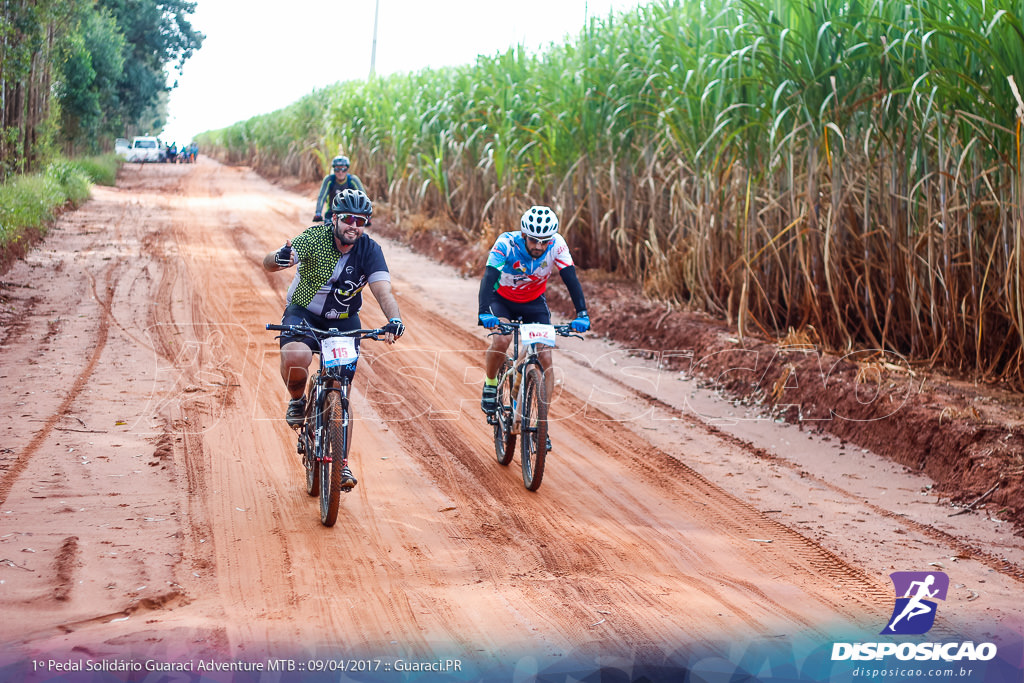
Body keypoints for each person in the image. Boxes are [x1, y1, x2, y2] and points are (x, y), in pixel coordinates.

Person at [264, 188, 405, 489]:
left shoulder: (370, 250)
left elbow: (383, 291)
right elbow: (271, 262)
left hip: (344, 321)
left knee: (342, 393)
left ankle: (341, 465)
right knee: (297, 358)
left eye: (362, 221)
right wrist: (279, 258)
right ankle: (297, 400)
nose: (355, 226)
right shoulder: (315, 239)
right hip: (304, 313)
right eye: (349, 219)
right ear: (334, 219)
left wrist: (394, 319)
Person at [477, 206, 590, 450]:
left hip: (533, 303)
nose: (539, 247)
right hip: (501, 299)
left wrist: (582, 312)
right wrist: (484, 310)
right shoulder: (506, 244)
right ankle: (490, 383)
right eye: (534, 240)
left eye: (544, 241)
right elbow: (488, 276)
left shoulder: (557, 245)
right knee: (501, 341)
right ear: (524, 235)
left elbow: (571, 278)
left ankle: (541, 425)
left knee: (545, 357)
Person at [313, 155, 365, 223]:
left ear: (347, 169)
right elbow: (322, 197)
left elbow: (363, 197)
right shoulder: (329, 180)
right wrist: (318, 213)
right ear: (333, 170)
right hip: (331, 213)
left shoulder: (353, 180)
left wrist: (365, 214)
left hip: (350, 215)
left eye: (343, 169)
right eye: (337, 169)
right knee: (327, 231)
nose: (340, 172)